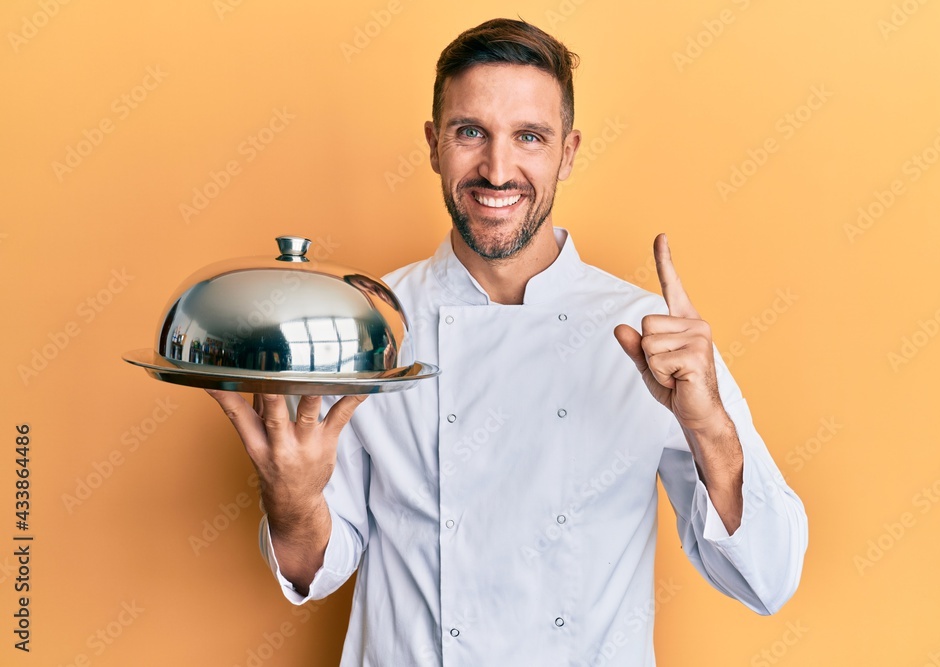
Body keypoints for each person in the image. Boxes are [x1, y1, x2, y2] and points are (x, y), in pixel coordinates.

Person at [208, 18, 807, 666]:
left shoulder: (651, 335)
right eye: (471, 132)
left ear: (568, 152)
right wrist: (292, 499)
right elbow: (315, 568)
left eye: (529, 135)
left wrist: (712, 427)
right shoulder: (371, 324)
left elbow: (767, 578)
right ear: (435, 144)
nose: (497, 169)